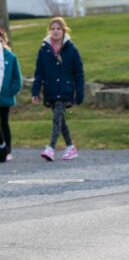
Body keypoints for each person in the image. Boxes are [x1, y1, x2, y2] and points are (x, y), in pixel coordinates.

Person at [31, 16, 84, 161]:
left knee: (56, 118)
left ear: (63, 30)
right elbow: (39, 72)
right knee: (60, 120)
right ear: (49, 31)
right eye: (53, 29)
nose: (55, 31)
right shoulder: (44, 50)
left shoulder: (72, 49)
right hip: (51, 90)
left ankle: (51, 148)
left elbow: (78, 72)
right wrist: (35, 91)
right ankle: (70, 147)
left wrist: (79, 92)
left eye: (58, 29)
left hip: (65, 90)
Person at [0, 29, 19, 162]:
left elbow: (17, 79)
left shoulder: (11, 57)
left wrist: (9, 91)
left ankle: (8, 150)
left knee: (4, 123)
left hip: (5, 99)